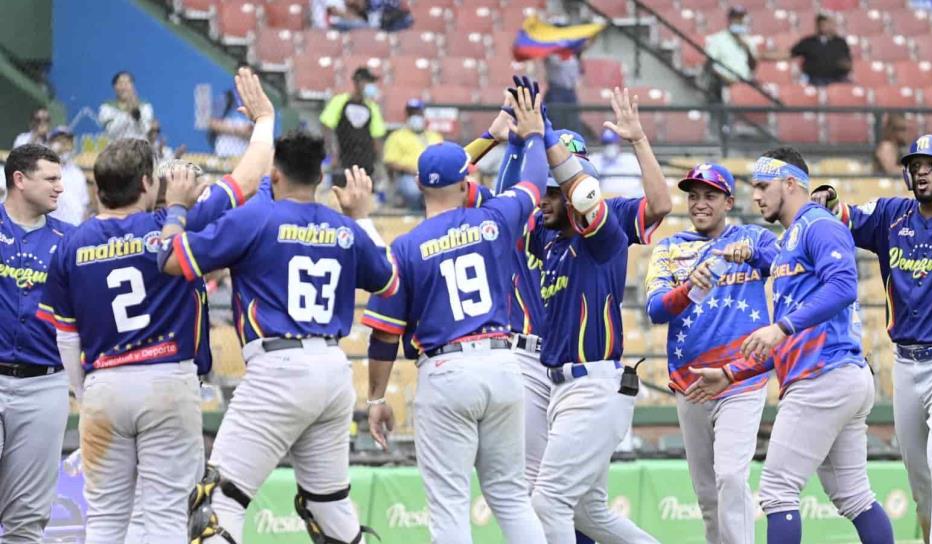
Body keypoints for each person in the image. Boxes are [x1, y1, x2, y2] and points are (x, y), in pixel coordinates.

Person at [36, 66, 276, 543]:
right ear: (148, 183)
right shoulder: (171, 224)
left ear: (99, 187)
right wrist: (265, 119)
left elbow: (65, 336)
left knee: (103, 519)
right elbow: (249, 176)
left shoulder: (69, 245)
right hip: (167, 379)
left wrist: (86, 396)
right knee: (166, 514)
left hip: (103, 385)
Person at [161, 134, 398, 543]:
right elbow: (389, 282)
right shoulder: (344, 228)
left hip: (278, 369)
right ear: (321, 176)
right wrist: (361, 216)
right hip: (333, 370)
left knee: (218, 502)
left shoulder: (255, 219)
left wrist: (176, 207)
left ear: (275, 173)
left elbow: (171, 259)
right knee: (329, 506)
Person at [362, 87, 553, 544]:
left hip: (446, 370)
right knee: (509, 496)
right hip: (503, 364)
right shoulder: (494, 218)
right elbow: (533, 185)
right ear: (467, 183)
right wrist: (534, 136)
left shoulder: (405, 247)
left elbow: (384, 336)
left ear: (421, 187)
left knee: (449, 505)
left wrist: (374, 398)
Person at [686, 148, 895, 544]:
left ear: (791, 183)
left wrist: (780, 327)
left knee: (778, 491)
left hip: (824, 376)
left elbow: (844, 286)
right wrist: (731, 373)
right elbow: (788, 335)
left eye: (763, 186)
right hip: (839, 376)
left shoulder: (818, 225)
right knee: (854, 497)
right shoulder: (790, 240)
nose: (757, 197)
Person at [524, 88, 670, 544]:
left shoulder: (604, 231)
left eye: (553, 191)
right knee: (590, 514)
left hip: (593, 385)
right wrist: (519, 144)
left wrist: (639, 140)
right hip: (558, 386)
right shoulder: (545, 238)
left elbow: (658, 205)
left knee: (548, 503)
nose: (543, 201)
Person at [811, 134, 932, 544]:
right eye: (915, 164)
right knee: (921, 480)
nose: (921, 171)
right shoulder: (890, 215)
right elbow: (840, 214)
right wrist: (827, 197)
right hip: (906, 363)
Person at [645, 163, 775, 544]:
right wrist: (686, 289)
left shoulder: (751, 236)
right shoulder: (670, 247)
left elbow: (785, 260)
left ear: (729, 202)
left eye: (710, 195)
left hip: (742, 377)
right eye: (693, 195)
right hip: (691, 381)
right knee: (706, 494)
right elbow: (655, 310)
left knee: (732, 477)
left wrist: (751, 252)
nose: (700, 203)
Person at [0, 144, 69, 543]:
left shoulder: (71, 239)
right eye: (52, 179)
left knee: (27, 520)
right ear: (20, 180)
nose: (60, 188)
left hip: (45, 385)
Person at [320, 67, 386, 188]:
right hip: (343, 159)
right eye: (367, 82)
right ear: (357, 82)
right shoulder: (340, 101)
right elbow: (326, 126)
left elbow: (377, 136)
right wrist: (333, 153)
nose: (370, 86)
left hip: (366, 162)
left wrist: (379, 165)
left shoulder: (372, 107)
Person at [383, 98, 443, 210]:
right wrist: (410, 169)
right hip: (408, 175)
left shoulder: (434, 136)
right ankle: (416, 213)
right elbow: (390, 162)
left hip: (434, 174)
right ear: (406, 116)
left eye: (418, 113)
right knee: (413, 190)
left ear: (423, 115)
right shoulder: (396, 136)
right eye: (411, 114)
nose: (415, 117)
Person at [705, 6, 757, 99]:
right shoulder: (718, 38)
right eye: (735, 18)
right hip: (723, 85)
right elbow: (709, 65)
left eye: (740, 19)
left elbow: (753, 67)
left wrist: (747, 50)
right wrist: (725, 79)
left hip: (744, 86)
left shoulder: (748, 40)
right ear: (729, 20)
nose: (738, 21)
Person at [789, 13, 852, 86]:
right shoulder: (808, 42)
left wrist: (842, 64)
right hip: (814, 79)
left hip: (838, 78)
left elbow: (848, 63)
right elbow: (791, 53)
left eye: (827, 23)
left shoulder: (840, 42)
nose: (824, 26)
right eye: (822, 23)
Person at [47, 125, 91, 225]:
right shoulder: (45, 171)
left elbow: (85, 205)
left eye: (67, 142)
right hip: (53, 229)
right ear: (51, 144)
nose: (64, 147)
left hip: (76, 229)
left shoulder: (78, 173)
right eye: (60, 142)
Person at [99, 71, 154, 141]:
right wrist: (127, 114)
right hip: (117, 149)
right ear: (114, 87)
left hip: (139, 148)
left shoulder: (144, 106)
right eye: (120, 83)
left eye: (127, 83)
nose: (124, 87)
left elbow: (146, 130)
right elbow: (110, 132)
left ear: (133, 86)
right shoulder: (107, 107)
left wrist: (136, 114)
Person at [588, 127, 643, 196]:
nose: (609, 147)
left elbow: (642, 181)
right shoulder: (594, 160)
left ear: (618, 143)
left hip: (632, 196)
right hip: (607, 198)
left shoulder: (630, 158)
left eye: (612, 144)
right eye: (606, 144)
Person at [209, 89, 253, 158]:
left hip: (246, 158)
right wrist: (237, 130)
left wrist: (249, 132)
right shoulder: (227, 97)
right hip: (223, 156)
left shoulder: (259, 101)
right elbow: (211, 123)